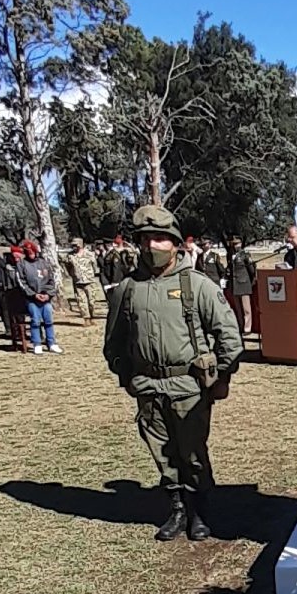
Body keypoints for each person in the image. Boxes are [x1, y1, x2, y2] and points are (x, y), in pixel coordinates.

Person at [103, 204, 244, 541]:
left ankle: (200, 512)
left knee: (192, 453)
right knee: (161, 453)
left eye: (161, 239)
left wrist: (222, 376)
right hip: (148, 386)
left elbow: (229, 335)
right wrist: (127, 377)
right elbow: (114, 342)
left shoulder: (197, 285)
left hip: (189, 386)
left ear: (176, 243)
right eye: (146, 239)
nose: (152, 246)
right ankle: (177, 509)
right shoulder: (128, 289)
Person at [16, 240, 63, 355]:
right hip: (32, 298)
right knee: (35, 320)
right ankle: (37, 343)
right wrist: (33, 294)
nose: (31, 254)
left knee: (48, 320)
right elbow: (21, 282)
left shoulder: (44, 263)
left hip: (45, 297)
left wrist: (48, 294)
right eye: (28, 252)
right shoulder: (22, 264)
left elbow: (52, 280)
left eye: (32, 251)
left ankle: (51, 343)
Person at [65, 237, 100, 322]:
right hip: (78, 282)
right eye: (73, 245)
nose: (74, 247)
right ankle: (86, 319)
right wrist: (72, 275)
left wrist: (93, 274)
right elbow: (67, 267)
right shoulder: (70, 256)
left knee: (92, 301)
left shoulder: (89, 254)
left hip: (89, 281)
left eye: (75, 245)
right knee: (81, 302)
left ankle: (92, 315)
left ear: (80, 245)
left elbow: (95, 266)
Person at [227, 236, 257, 338]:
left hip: (244, 284)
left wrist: (252, 282)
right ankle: (240, 326)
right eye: (234, 244)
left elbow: (252, 270)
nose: (236, 246)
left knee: (246, 309)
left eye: (238, 244)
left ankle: (247, 328)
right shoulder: (230, 255)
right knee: (238, 308)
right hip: (235, 285)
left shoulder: (245, 255)